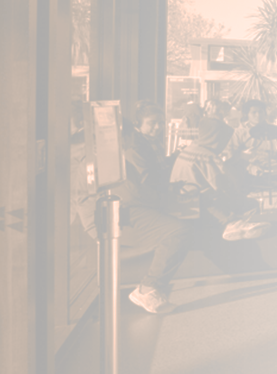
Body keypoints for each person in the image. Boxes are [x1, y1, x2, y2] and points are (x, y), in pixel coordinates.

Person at [71, 116, 194, 314]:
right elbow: (132, 194)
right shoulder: (109, 159)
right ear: (125, 137)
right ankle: (149, 287)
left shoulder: (104, 155)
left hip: (112, 212)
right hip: (110, 219)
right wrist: (167, 198)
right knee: (177, 231)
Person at [170, 117, 271, 241]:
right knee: (251, 204)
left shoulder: (190, 149)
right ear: (215, 138)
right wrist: (243, 162)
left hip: (183, 201)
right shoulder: (206, 155)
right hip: (202, 203)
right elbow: (228, 185)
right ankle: (244, 242)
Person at [223, 99, 277, 213]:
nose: (258, 115)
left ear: (265, 113)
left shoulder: (276, 132)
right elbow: (230, 154)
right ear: (246, 114)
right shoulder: (239, 133)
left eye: (260, 112)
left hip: (276, 172)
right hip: (249, 172)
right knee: (234, 188)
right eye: (254, 112)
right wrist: (242, 155)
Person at [127, 100, 176, 194]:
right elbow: (148, 179)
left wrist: (175, 158)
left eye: (161, 123)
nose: (158, 127)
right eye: (152, 123)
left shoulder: (153, 140)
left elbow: (158, 166)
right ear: (137, 123)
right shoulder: (135, 146)